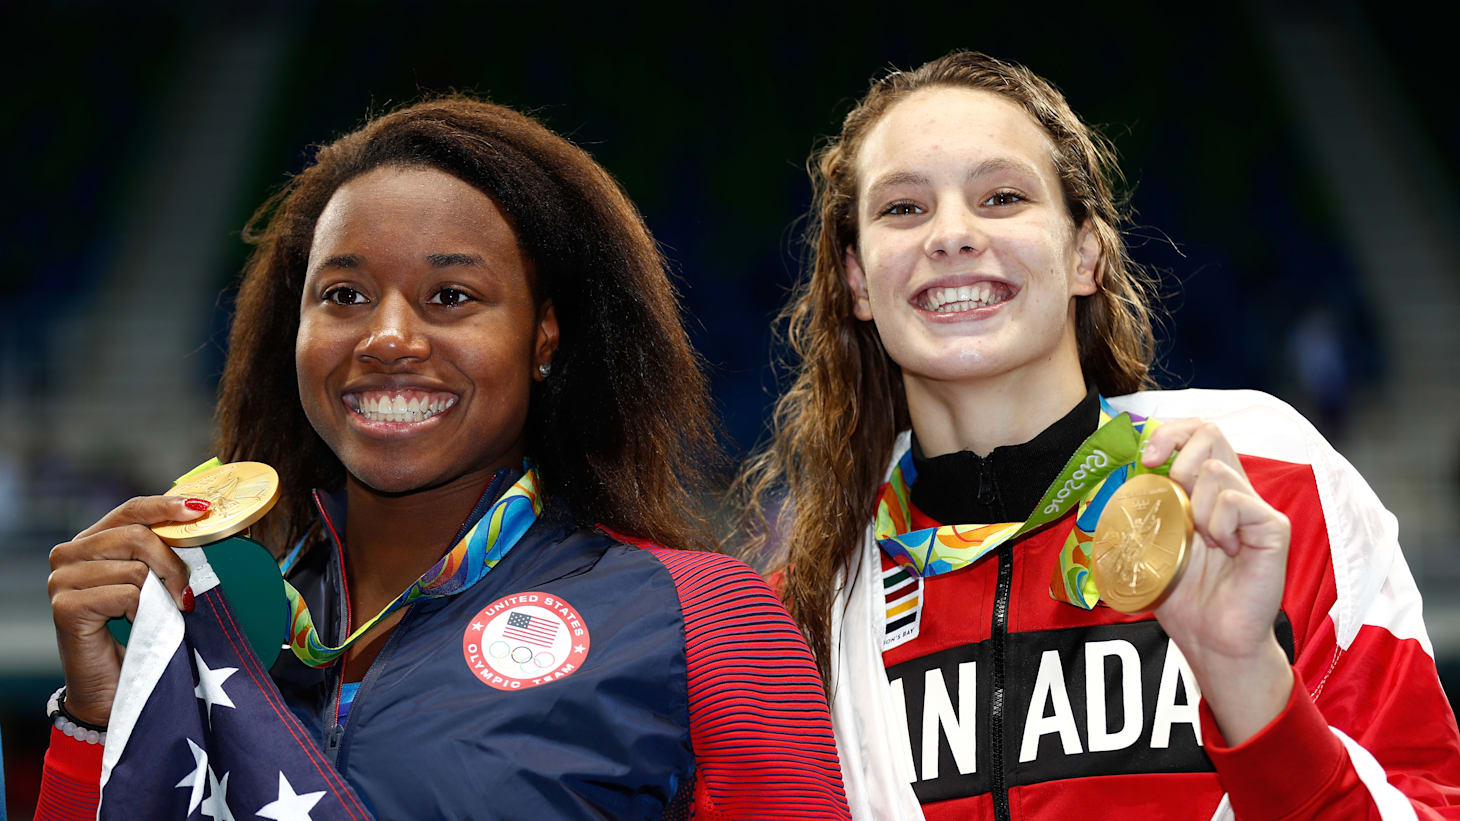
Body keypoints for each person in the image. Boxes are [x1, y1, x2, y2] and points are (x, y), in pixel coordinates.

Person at [39, 96, 850, 820]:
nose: (389, 337)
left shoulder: (699, 615)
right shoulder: (218, 627)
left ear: (543, 337)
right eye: (343, 295)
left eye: (452, 297)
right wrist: (103, 718)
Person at [736, 51, 1460, 819]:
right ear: (856, 281)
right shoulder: (810, 600)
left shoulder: (1266, 491)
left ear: (1086, 252)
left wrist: (1247, 677)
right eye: (904, 209)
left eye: (1002, 196)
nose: (951, 234)